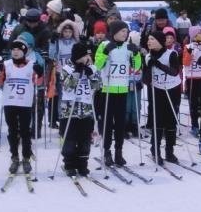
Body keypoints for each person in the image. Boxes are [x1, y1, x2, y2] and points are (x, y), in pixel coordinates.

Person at [95, 20, 142, 167]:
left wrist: (136, 54)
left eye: (126, 31)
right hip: (107, 90)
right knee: (108, 123)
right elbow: (98, 65)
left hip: (122, 90)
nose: (125, 33)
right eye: (122, 31)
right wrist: (105, 51)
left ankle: (119, 152)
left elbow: (136, 67)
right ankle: (107, 151)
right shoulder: (103, 45)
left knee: (120, 124)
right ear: (115, 32)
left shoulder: (128, 47)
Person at [0, 39, 43, 174]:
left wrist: (40, 72)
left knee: (25, 131)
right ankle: (14, 157)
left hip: (25, 103)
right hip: (9, 102)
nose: (15, 52)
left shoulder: (31, 65)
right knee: (12, 130)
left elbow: (39, 82)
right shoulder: (6, 64)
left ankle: (26, 157)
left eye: (19, 49)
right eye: (13, 49)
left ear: (24, 52)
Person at [58, 42, 100, 177]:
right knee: (69, 139)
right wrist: (77, 72)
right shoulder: (67, 68)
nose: (88, 57)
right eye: (86, 55)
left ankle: (83, 164)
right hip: (69, 111)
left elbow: (98, 86)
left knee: (84, 140)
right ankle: (69, 164)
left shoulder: (91, 68)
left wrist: (91, 74)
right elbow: (67, 86)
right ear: (79, 56)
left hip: (86, 111)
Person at [144, 27, 183, 164]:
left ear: (160, 41)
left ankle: (169, 151)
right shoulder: (148, 56)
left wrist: (159, 65)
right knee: (158, 121)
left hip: (172, 89)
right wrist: (148, 67)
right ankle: (155, 150)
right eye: (148, 39)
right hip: (158, 90)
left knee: (171, 121)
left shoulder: (171, 54)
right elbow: (146, 81)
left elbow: (174, 72)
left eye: (152, 39)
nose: (149, 41)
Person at [182, 25, 201, 136]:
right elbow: (186, 63)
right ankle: (194, 125)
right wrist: (189, 52)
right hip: (192, 78)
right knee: (193, 103)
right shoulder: (188, 46)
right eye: (199, 33)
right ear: (193, 36)